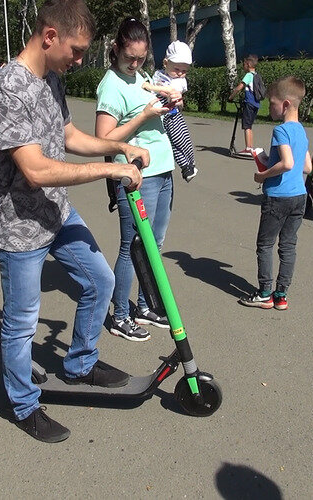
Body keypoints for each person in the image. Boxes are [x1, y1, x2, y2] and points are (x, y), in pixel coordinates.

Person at [0, 0, 147, 443]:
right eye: (76, 51)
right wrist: (112, 169)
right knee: (21, 322)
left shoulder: (51, 79)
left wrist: (120, 149)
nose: (79, 60)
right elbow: (35, 170)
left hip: (57, 213)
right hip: (20, 226)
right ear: (50, 35)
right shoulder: (9, 89)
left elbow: (69, 136)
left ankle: (80, 363)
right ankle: (23, 405)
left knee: (100, 280)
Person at [95, 18, 179, 342]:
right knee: (132, 247)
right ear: (115, 49)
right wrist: (144, 115)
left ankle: (144, 306)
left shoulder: (139, 77)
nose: (134, 63)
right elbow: (103, 139)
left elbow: (148, 108)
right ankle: (120, 314)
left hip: (161, 170)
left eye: (141, 58)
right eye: (129, 56)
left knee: (154, 246)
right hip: (135, 176)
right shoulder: (111, 85)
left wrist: (166, 104)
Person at [239, 76, 312, 311]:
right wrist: (268, 161)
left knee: (265, 244)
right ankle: (281, 295)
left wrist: (263, 175)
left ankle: (264, 293)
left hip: (278, 197)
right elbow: (306, 167)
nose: (269, 107)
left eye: (272, 103)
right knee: (288, 246)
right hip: (299, 196)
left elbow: (288, 163)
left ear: (286, 105)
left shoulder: (281, 130)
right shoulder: (301, 131)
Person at [141, 40, 197, 182]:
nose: (180, 73)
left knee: (184, 139)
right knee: (175, 141)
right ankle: (186, 167)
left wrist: (151, 87)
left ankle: (191, 163)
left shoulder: (180, 81)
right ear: (166, 63)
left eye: (184, 71)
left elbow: (170, 92)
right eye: (177, 69)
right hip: (165, 116)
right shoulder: (158, 75)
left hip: (174, 115)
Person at [227, 54, 260, 155]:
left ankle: (248, 149)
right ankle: (250, 147)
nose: (243, 66)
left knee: (246, 126)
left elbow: (239, 88)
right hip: (256, 104)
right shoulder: (257, 75)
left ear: (249, 64)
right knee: (249, 126)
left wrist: (231, 97)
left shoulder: (249, 75)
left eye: (244, 64)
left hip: (249, 103)